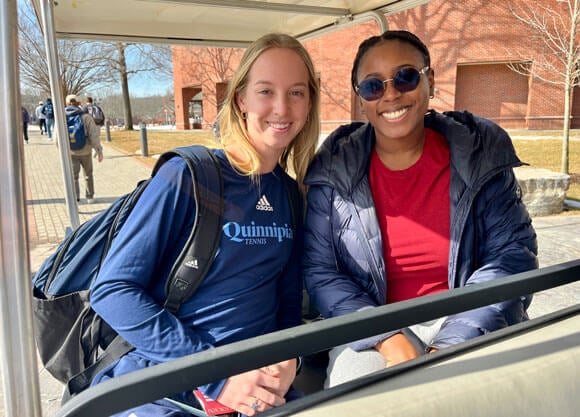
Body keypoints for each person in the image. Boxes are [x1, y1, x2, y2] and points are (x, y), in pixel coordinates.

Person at [89, 32, 320, 417]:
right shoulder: (188, 176)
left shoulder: (291, 196)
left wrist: (289, 359)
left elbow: (287, 302)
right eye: (266, 91)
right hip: (168, 386)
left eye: (296, 92)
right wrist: (216, 377)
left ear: (309, 101)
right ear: (241, 98)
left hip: (255, 392)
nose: (282, 107)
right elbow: (112, 290)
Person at [302, 30, 539, 388]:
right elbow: (321, 270)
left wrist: (450, 343)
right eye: (373, 86)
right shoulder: (334, 168)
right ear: (361, 99)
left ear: (430, 81)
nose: (392, 93)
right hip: (371, 327)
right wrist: (385, 335)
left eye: (406, 76)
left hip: (469, 318)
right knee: (355, 400)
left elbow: (511, 256)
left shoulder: (480, 154)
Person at [64, 94, 103, 204]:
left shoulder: (62, 117)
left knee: (73, 176)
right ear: (78, 103)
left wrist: (63, 151)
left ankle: (76, 198)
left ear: (67, 104)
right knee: (88, 174)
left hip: (70, 152)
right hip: (86, 151)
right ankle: (90, 197)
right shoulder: (86, 117)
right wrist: (99, 151)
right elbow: (94, 136)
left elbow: (56, 137)